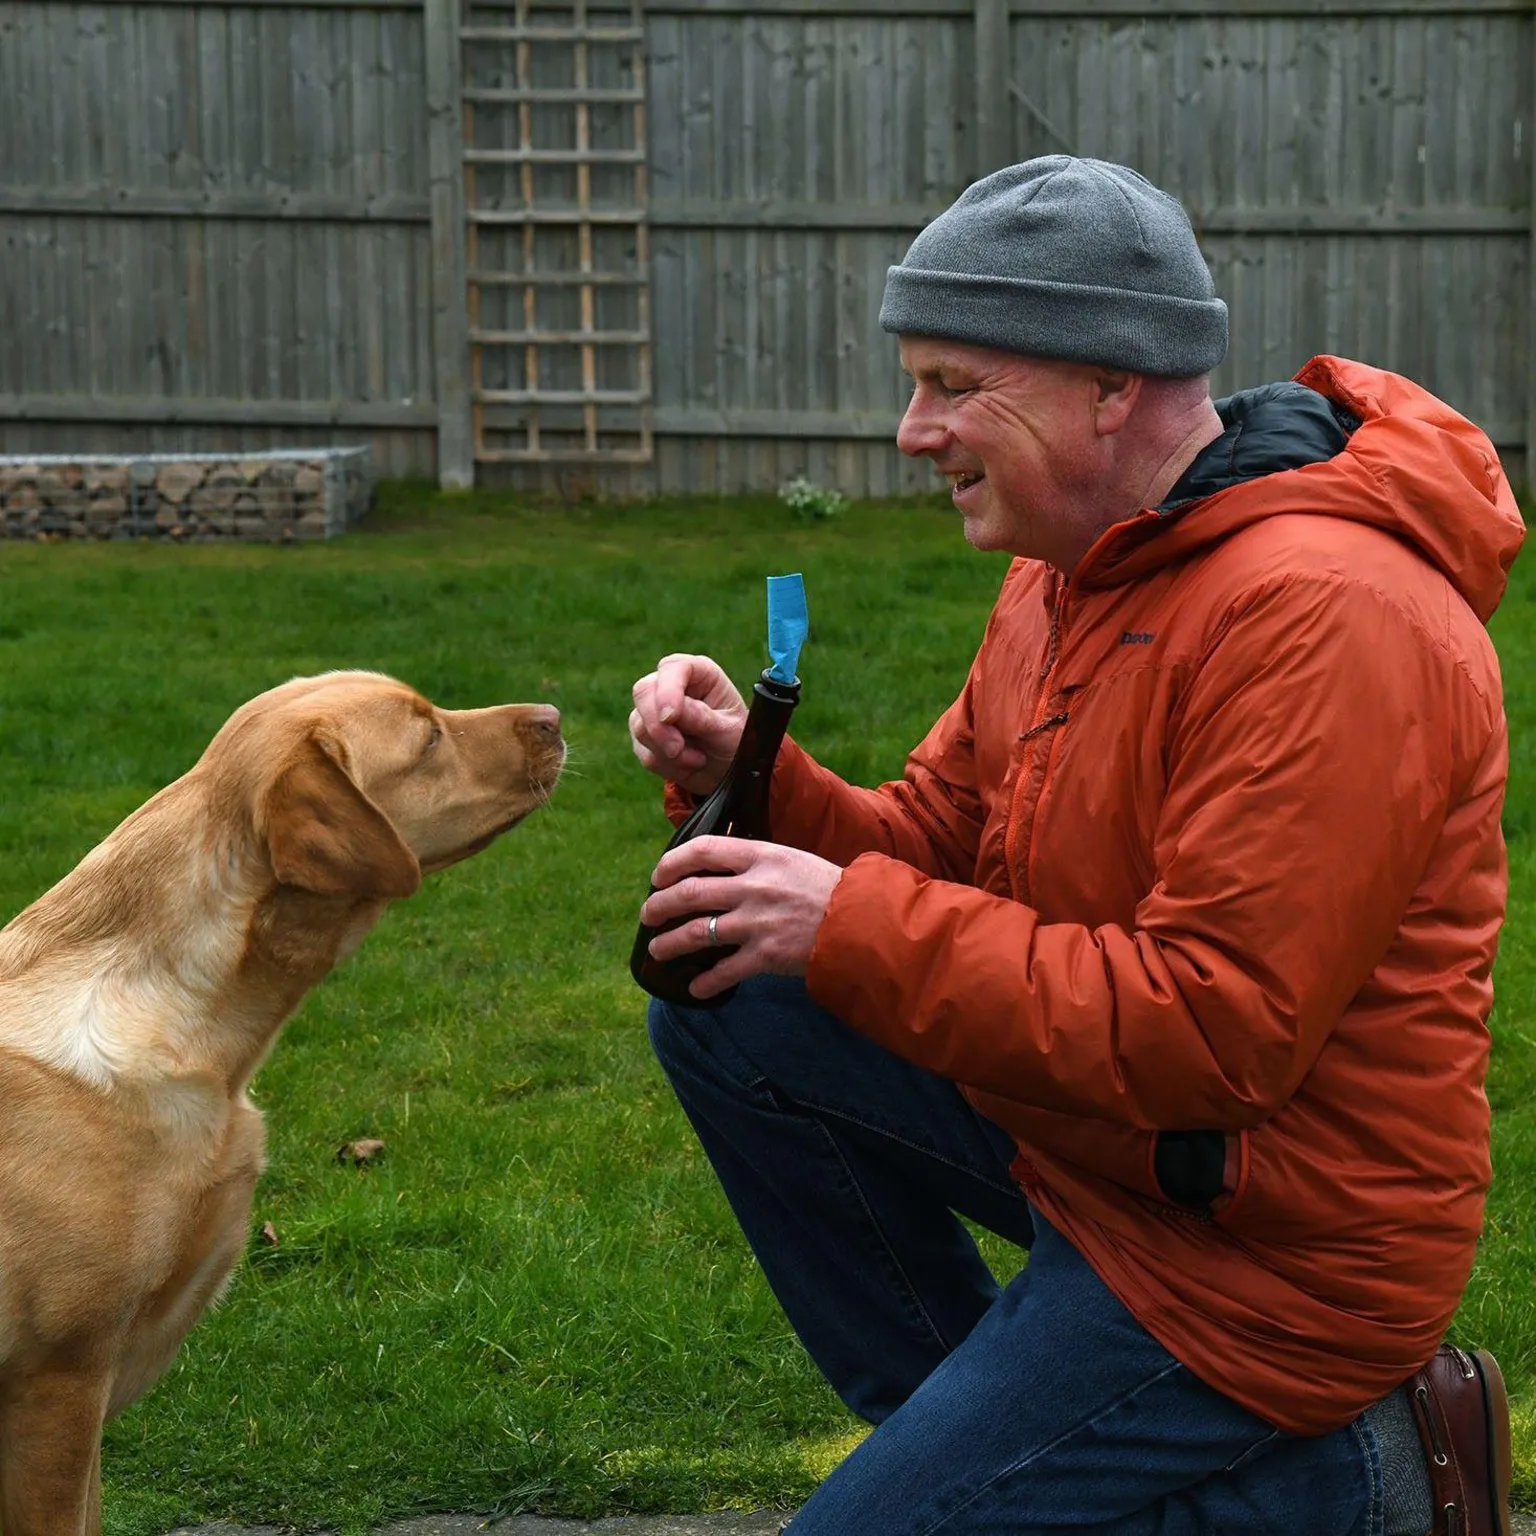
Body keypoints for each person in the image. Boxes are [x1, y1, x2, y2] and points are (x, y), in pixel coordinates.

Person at [628, 156, 1523, 1535]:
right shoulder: (1071, 569)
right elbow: (929, 844)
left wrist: (843, 921)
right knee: (736, 1000)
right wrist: (763, 774)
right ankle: (976, 1439)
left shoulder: (1330, 619)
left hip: (1263, 1258)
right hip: (1112, 1164)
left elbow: (1218, 1031)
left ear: (1115, 384)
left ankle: (1355, 1481)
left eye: (955, 383)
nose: (914, 431)